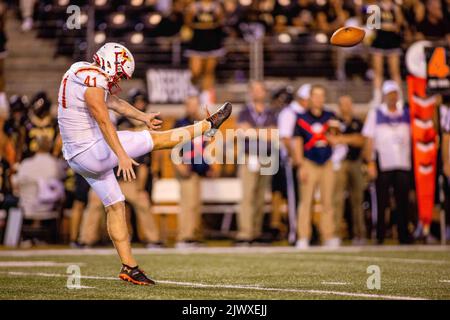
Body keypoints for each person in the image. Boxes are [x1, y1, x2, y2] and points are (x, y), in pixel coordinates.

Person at [57, 42, 232, 285]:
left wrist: (142, 116)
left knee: (116, 205)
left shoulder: (80, 71)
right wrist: (121, 155)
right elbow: (103, 118)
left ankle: (129, 267)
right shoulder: (93, 77)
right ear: (111, 62)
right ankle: (207, 126)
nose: (118, 79)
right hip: (91, 150)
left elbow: (115, 103)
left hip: (77, 156)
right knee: (156, 141)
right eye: (119, 72)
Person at [362, 80, 412, 244]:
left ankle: (404, 234)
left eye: (394, 93)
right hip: (383, 164)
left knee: (403, 201)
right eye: (389, 93)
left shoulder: (406, 112)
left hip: (403, 163)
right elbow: (369, 138)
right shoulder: (376, 113)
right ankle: (380, 234)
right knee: (381, 201)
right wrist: (370, 162)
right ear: (384, 95)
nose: (392, 96)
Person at [292, 84, 340, 249]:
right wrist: (300, 165)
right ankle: (303, 236)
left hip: (326, 161)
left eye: (321, 95)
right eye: (315, 95)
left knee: (328, 201)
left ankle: (328, 235)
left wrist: (333, 140)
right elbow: (297, 142)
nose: (318, 99)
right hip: (309, 162)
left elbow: (335, 138)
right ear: (310, 98)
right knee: (306, 201)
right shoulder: (301, 118)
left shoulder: (331, 116)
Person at [173, 94, 220, 248]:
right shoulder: (180, 123)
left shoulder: (201, 124)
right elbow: (173, 148)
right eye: (189, 105)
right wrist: (179, 165)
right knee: (187, 203)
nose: (192, 108)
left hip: (197, 169)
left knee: (195, 204)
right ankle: (184, 236)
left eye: (194, 105)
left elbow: (207, 146)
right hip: (186, 169)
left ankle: (192, 234)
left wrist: (210, 166)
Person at [236, 81, 277, 245]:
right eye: (254, 90)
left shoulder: (270, 112)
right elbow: (241, 131)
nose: (257, 93)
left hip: (265, 156)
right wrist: (263, 132)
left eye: (260, 90)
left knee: (261, 197)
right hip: (249, 156)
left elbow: (273, 134)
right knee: (248, 196)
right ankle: (245, 233)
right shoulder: (244, 112)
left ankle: (256, 231)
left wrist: (253, 132)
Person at [329, 95, 366, 244]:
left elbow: (361, 140)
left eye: (349, 104)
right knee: (337, 199)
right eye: (343, 104)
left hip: (355, 162)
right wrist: (352, 138)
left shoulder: (358, 122)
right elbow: (332, 139)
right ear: (339, 106)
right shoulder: (334, 122)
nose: (346, 107)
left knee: (358, 200)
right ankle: (335, 234)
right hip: (340, 163)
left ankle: (359, 234)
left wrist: (344, 139)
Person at [277, 84, 310, 242]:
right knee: (294, 197)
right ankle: (294, 232)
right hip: (293, 162)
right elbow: (285, 138)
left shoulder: (306, 113)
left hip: (307, 161)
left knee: (304, 198)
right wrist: (296, 158)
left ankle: (305, 230)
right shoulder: (289, 113)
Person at [185, 0, 225, 103]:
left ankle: (205, 97)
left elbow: (221, 21)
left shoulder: (216, 7)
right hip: (197, 43)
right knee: (195, 71)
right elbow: (188, 21)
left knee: (208, 72)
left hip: (212, 43)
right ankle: (193, 90)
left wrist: (210, 26)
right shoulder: (194, 7)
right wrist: (200, 27)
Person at [369, 0, 405, 106]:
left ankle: (399, 99)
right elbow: (372, 25)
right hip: (379, 42)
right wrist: (388, 26)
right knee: (377, 72)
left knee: (395, 72)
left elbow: (399, 25)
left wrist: (386, 25)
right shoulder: (375, 7)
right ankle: (377, 98)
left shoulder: (396, 7)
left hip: (392, 42)